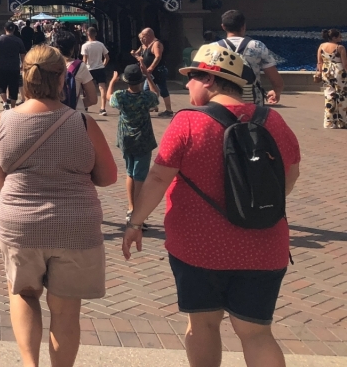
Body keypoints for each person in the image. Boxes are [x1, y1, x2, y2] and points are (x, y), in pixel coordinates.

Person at [123, 45, 301, 367]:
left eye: (191, 78)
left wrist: (135, 223)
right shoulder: (272, 121)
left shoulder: (189, 121)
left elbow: (159, 178)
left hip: (198, 247)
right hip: (264, 246)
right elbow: (290, 175)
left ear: (209, 79)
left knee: (202, 324)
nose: (187, 85)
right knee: (257, 334)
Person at [0, 45, 117, 367]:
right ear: (62, 78)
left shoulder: (3, 121)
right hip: (76, 227)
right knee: (66, 311)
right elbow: (108, 176)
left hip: (20, 224)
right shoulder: (82, 123)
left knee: (24, 295)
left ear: (25, 77)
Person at [106, 64, 159, 222]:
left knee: (130, 173)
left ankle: (131, 207)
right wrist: (149, 76)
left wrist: (112, 82)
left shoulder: (121, 96)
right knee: (140, 176)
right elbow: (156, 94)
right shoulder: (146, 97)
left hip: (126, 139)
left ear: (126, 81)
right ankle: (138, 212)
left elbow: (109, 97)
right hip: (143, 140)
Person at [215, 9, 283, 106]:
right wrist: (277, 91)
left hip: (223, 103)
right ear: (244, 26)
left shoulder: (214, 48)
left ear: (223, 27)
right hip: (253, 103)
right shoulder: (258, 46)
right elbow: (276, 79)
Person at [55, 31, 98, 114]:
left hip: (51, 115)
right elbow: (92, 99)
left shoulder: (47, 65)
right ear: (72, 48)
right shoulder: (79, 66)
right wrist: (77, 103)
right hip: (75, 115)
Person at [133, 28, 172, 116]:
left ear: (148, 35)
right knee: (147, 89)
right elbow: (138, 54)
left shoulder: (156, 44)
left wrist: (151, 67)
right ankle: (153, 105)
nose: (142, 39)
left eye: (143, 36)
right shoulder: (146, 44)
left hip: (158, 70)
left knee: (162, 89)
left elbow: (158, 57)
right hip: (149, 73)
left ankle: (168, 110)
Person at [316, 28, 347, 129]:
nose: (341, 38)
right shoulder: (340, 47)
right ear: (334, 37)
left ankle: (329, 122)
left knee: (329, 95)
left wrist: (320, 72)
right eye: (339, 36)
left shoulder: (321, 46)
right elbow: (345, 64)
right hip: (339, 72)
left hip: (326, 72)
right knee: (341, 96)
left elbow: (319, 62)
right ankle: (341, 122)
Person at [0, 23, 25, 110]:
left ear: (4, 29)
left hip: (2, 66)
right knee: (14, 87)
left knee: (2, 86)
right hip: (14, 67)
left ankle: (5, 102)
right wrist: (23, 64)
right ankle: (13, 107)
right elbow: (22, 54)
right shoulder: (18, 40)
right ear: (14, 29)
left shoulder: (0, 39)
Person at [80, 27, 110, 114]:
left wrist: (82, 68)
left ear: (87, 34)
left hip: (89, 69)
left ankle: (86, 106)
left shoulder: (85, 46)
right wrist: (103, 65)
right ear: (95, 34)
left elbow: (85, 59)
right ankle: (103, 108)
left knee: (86, 88)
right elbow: (107, 57)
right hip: (100, 68)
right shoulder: (100, 44)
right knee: (102, 88)